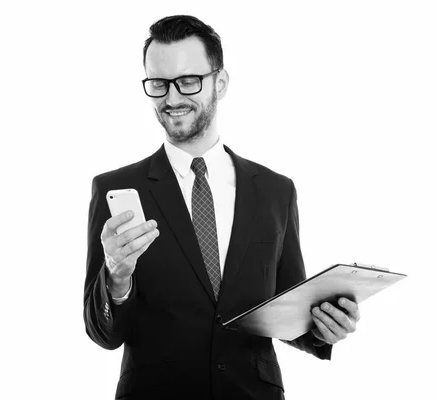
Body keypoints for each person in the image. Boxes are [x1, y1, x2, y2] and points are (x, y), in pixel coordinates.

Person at [83, 15, 361, 400]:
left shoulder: (275, 191)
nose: (172, 98)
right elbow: (102, 333)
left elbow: (286, 308)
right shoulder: (115, 188)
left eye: (188, 81)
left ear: (221, 82)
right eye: (159, 84)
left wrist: (321, 327)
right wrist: (116, 278)